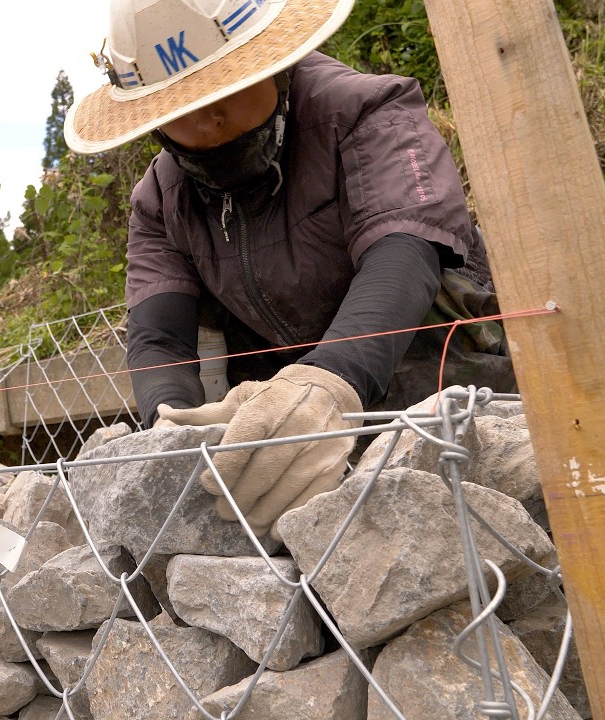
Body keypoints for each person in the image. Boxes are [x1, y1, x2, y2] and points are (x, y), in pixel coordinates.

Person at [64, 0, 515, 541]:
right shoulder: (160, 201)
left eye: (225, 88)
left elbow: (405, 252)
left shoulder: (363, 112)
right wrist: (170, 428)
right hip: (282, 408)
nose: (207, 118)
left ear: (271, 64)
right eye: (180, 106)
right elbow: (160, 336)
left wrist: (329, 382)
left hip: (444, 381)